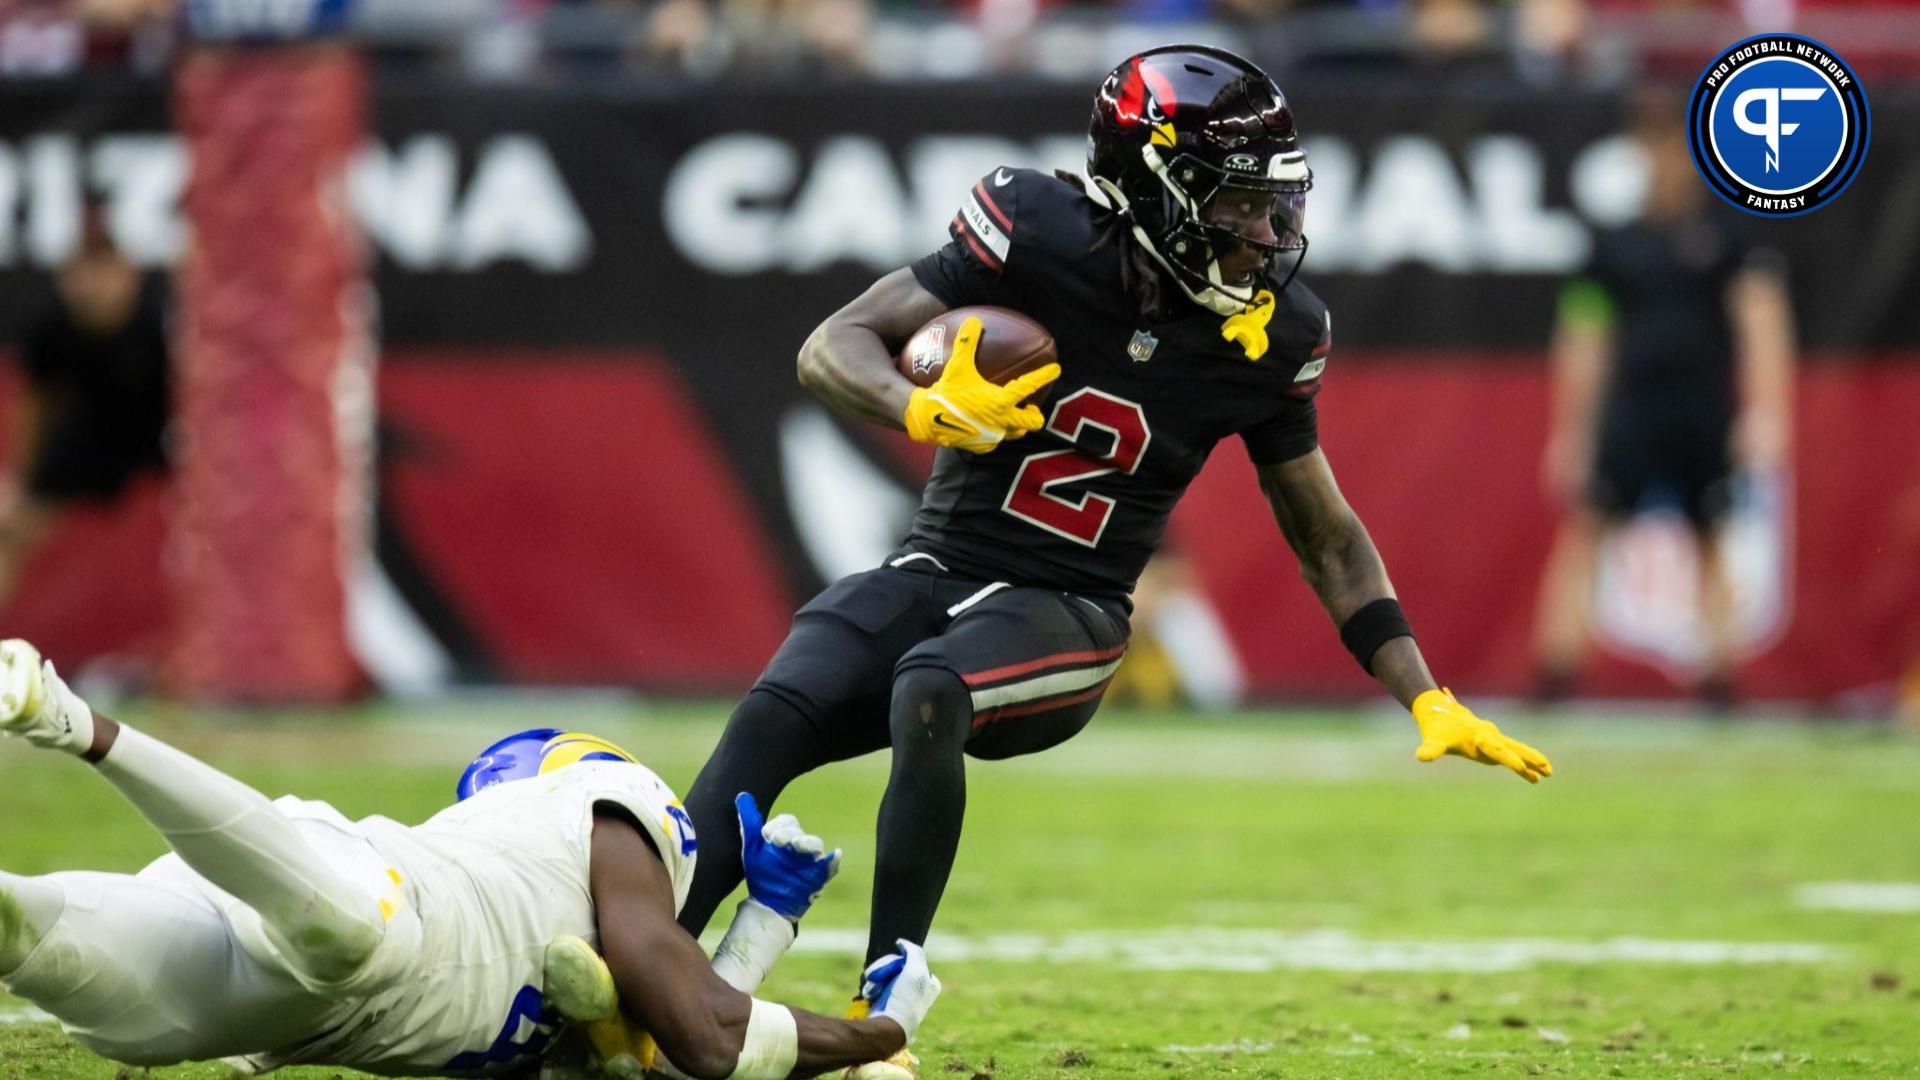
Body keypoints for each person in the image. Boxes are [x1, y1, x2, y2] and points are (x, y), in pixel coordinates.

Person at [656, 45, 1552, 1080]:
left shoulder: (1272, 335)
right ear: (1154, 189)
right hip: (937, 565)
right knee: (786, 693)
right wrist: (915, 404)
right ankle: (654, 966)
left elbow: (1328, 535)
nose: (1268, 235)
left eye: (1276, 206)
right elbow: (834, 343)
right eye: (1238, 204)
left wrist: (1423, 693)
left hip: (1072, 610)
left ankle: (881, 1017)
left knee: (931, 686)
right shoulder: (1038, 234)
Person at [0, 639, 940, 1078]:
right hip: (372, 907)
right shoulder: (609, 815)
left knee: (33, 940)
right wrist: (879, 1035)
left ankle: (77, 733)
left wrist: (765, 923)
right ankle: (78, 725)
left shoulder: (581, 916)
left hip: (273, 1000)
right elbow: (707, 1035)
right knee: (351, 935)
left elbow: (671, 1060)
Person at [1529, 89, 1795, 706]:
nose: (1665, 164)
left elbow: (1762, 321)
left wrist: (1766, 412)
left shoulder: (1727, 238)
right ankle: (1555, 673)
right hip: (1633, 410)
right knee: (1588, 529)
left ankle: (1721, 679)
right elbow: (1584, 338)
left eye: (1676, 151)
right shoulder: (1612, 245)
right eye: (1654, 151)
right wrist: (1572, 429)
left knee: (1712, 534)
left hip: (1702, 409)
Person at [1, 204, 170, 609]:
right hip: (85, 446)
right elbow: (36, 407)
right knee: (8, 529)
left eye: (105, 270)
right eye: (84, 271)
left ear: (129, 275)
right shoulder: (52, 333)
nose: (95, 284)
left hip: (156, 442)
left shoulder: (156, 329)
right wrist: (24, 477)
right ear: (65, 278)